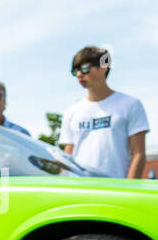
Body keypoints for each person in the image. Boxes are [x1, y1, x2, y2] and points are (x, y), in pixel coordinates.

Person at [61, 46, 149, 178]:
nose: (79, 74)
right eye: (75, 71)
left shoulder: (130, 104)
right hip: (79, 191)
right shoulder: (71, 111)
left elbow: (138, 154)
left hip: (115, 190)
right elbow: (67, 157)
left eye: (85, 68)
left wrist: (127, 192)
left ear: (104, 67)